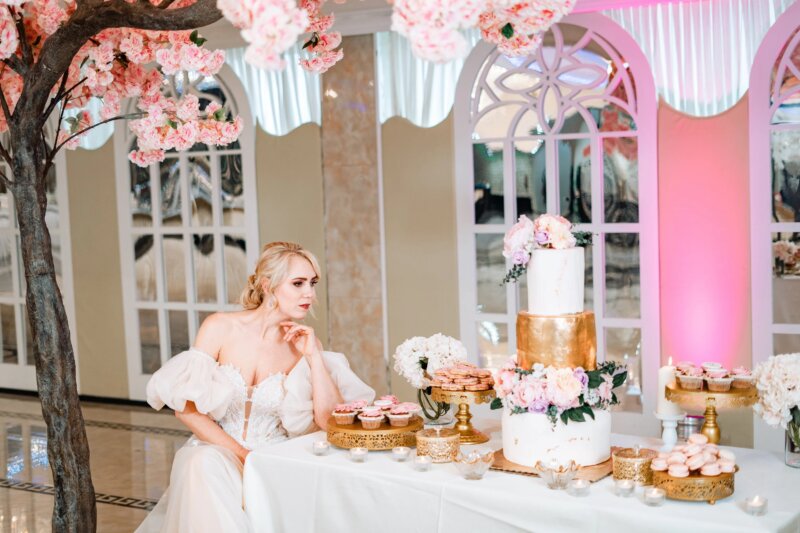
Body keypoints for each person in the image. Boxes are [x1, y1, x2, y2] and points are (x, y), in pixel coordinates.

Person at [136, 242, 375, 532]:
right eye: (298, 283)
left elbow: (329, 421)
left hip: (275, 458)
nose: (310, 294)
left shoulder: (304, 344)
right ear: (267, 285)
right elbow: (186, 411)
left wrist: (314, 357)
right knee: (200, 463)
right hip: (220, 452)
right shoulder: (220, 327)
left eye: (312, 283)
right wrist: (246, 457)